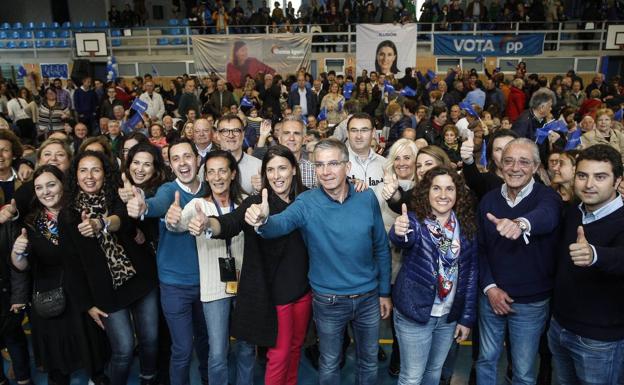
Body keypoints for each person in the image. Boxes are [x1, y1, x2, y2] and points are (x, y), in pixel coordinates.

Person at [245, 137, 392, 385]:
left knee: (368, 361)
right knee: (329, 362)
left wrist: (385, 292)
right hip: (328, 301)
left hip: (368, 297)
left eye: (333, 163)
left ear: (347, 167)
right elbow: (279, 226)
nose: (326, 171)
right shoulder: (306, 202)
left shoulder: (366, 198)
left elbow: (381, 247)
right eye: (320, 165)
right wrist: (263, 220)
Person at [60, 150, 159, 385]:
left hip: (141, 281)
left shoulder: (117, 197)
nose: (90, 176)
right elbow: (71, 266)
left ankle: (148, 377)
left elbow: (121, 219)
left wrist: (101, 223)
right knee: (124, 349)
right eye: (83, 170)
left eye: (96, 169)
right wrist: (88, 305)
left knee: (150, 339)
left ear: (105, 173)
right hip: (106, 293)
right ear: (75, 176)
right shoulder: (68, 216)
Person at [11, 165, 109, 385]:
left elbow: (94, 259)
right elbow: (22, 266)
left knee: (95, 361)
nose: (45, 192)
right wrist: (18, 253)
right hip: (50, 300)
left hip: (83, 297)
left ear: (62, 185)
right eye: (39, 188)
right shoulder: (30, 223)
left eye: (51, 185)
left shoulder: (79, 214)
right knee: (57, 369)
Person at [476, 138, 562, 385]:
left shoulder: (548, 198)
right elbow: (480, 250)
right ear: (500, 166)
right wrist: (490, 288)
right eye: (509, 161)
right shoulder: (489, 201)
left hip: (531, 303)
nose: (515, 168)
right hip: (491, 298)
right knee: (486, 360)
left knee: (523, 372)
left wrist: (521, 224)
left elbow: (546, 216)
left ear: (536, 167)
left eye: (524, 162)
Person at [126, 138, 210, 385]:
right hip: (175, 285)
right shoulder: (167, 191)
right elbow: (156, 205)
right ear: (170, 165)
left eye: (187, 156)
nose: (183, 163)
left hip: (208, 283)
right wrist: (143, 207)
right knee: (183, 348)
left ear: (198, 159)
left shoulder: (210, 189)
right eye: (176, 158)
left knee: (208, 344)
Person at [167, 150, 255, 385]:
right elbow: (176, 226)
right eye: (211, 171)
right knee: (218, 353)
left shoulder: (246, 202)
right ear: (205, 176)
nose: (217, 177)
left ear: (233, 174)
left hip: (245, 285)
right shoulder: (197, 205)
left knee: (247, 347)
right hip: (214, 289)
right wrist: (172, 219)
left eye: (222, 170)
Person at [390, 165, 477, 385]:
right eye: (436, 189)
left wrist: (465, 318)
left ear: (458, 194)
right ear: (426, 192)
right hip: (415, 311)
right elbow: (403, 238)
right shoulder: (414, 221)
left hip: (448, 316)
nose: (443, 195)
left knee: (434, 373)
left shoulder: (465, 226)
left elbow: (470, 275)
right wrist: (398, 231)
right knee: (412, 377)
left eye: (449, 189)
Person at [548, 144, 624, 385]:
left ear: (617, 180)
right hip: (560, 328)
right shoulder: (574, 212)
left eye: (600, 177)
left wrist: (595, 254)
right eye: (582, 176)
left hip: (599, 341)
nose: (589, 184)